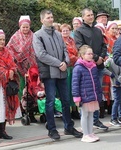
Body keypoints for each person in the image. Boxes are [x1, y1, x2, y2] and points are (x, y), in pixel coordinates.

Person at [32, 9, 83, 140]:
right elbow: (41, 54)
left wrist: (65, 61)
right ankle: (52, 129)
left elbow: (65, 49)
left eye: (52, 17)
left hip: (62, 72)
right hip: (49, 73)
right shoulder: (38, 35)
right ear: (42, 20)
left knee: (66, 100)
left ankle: (69, 127)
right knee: (50, 102)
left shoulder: (58, 34)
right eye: (48, 17)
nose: (51, 19)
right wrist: (58, 63)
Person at [74, 8, 108, 130]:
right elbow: (80, 47)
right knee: (88, 94)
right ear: (83, 17)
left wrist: (102, 57)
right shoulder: (79, 31)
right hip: (86, 68)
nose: (90, 17)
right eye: (88, 15)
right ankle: (88, 124)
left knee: (97, 94)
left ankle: (96, 119)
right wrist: (95, 57)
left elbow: (104, 45)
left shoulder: (97, 30)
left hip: (98, 66)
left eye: (92, 14)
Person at [6, 15, 37, 122]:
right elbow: (9, 50)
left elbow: (37, 49)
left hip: (32, 68)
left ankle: (32, 112)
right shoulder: (15, 37)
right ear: (20, 26)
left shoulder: (34, 36)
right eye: (23, 27)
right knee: (22, 90)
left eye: (27, 27)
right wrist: (15, 59)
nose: (25, 29)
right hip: (19, 69)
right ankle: (23, 112)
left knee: (32, 89)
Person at [72, 45, 102, 142]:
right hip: (84, 95)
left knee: (91, 114)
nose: (90, 55)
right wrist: (76, 97)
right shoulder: (78, 68)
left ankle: (90, 132)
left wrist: (98, 94)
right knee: (84, 115)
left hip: (92, 95)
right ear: (82, 55)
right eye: (88, 54)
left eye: (91, 54)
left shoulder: (93, 66)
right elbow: (75, 83)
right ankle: (85, 134)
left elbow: (96, 82)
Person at [0, 29, 21, 144]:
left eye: (3, 39)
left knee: (5, 107)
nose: (2, 41)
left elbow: (13, 64)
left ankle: (2, 131)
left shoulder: (7, 51)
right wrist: (6, 73)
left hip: (6, 85)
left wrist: (12, 71)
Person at [60, 23, 80, 119]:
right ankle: (67, 111)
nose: (65, 32)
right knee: (67, 89)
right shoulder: (60, 41)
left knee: (74, 88)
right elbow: (65, 54)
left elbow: (77, 51)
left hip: (74, 67)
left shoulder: (72, 40)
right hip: (66, 67)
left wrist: (77, 57)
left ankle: (75, 110)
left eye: (67, 30)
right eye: (63, 30)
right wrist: (75, 58)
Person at [104, 54, 121, 126]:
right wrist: (110, 74)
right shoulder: (110, 59)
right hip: (115, 83)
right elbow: (104, 67)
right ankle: (113, 118)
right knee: (117, 101)